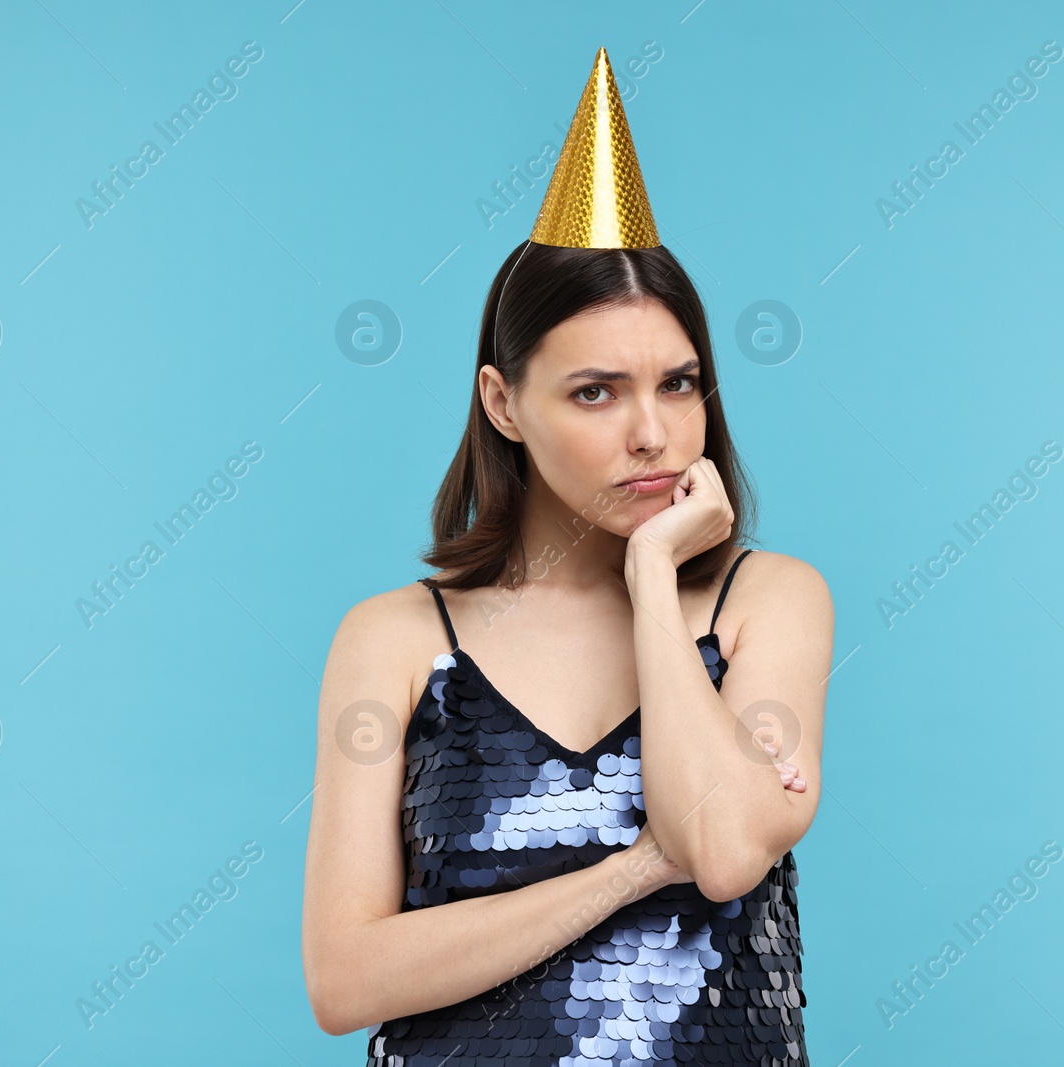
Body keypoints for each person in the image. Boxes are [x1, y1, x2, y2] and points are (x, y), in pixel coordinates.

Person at [302, 47, 834, 1065]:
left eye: (678, 385)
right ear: (503, 402)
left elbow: (722, 852)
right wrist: (633, 867)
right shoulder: (397, 639)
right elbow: (343, 977)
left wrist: (647, 577)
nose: (652, 434)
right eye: (596, 391)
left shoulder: (771, 602)